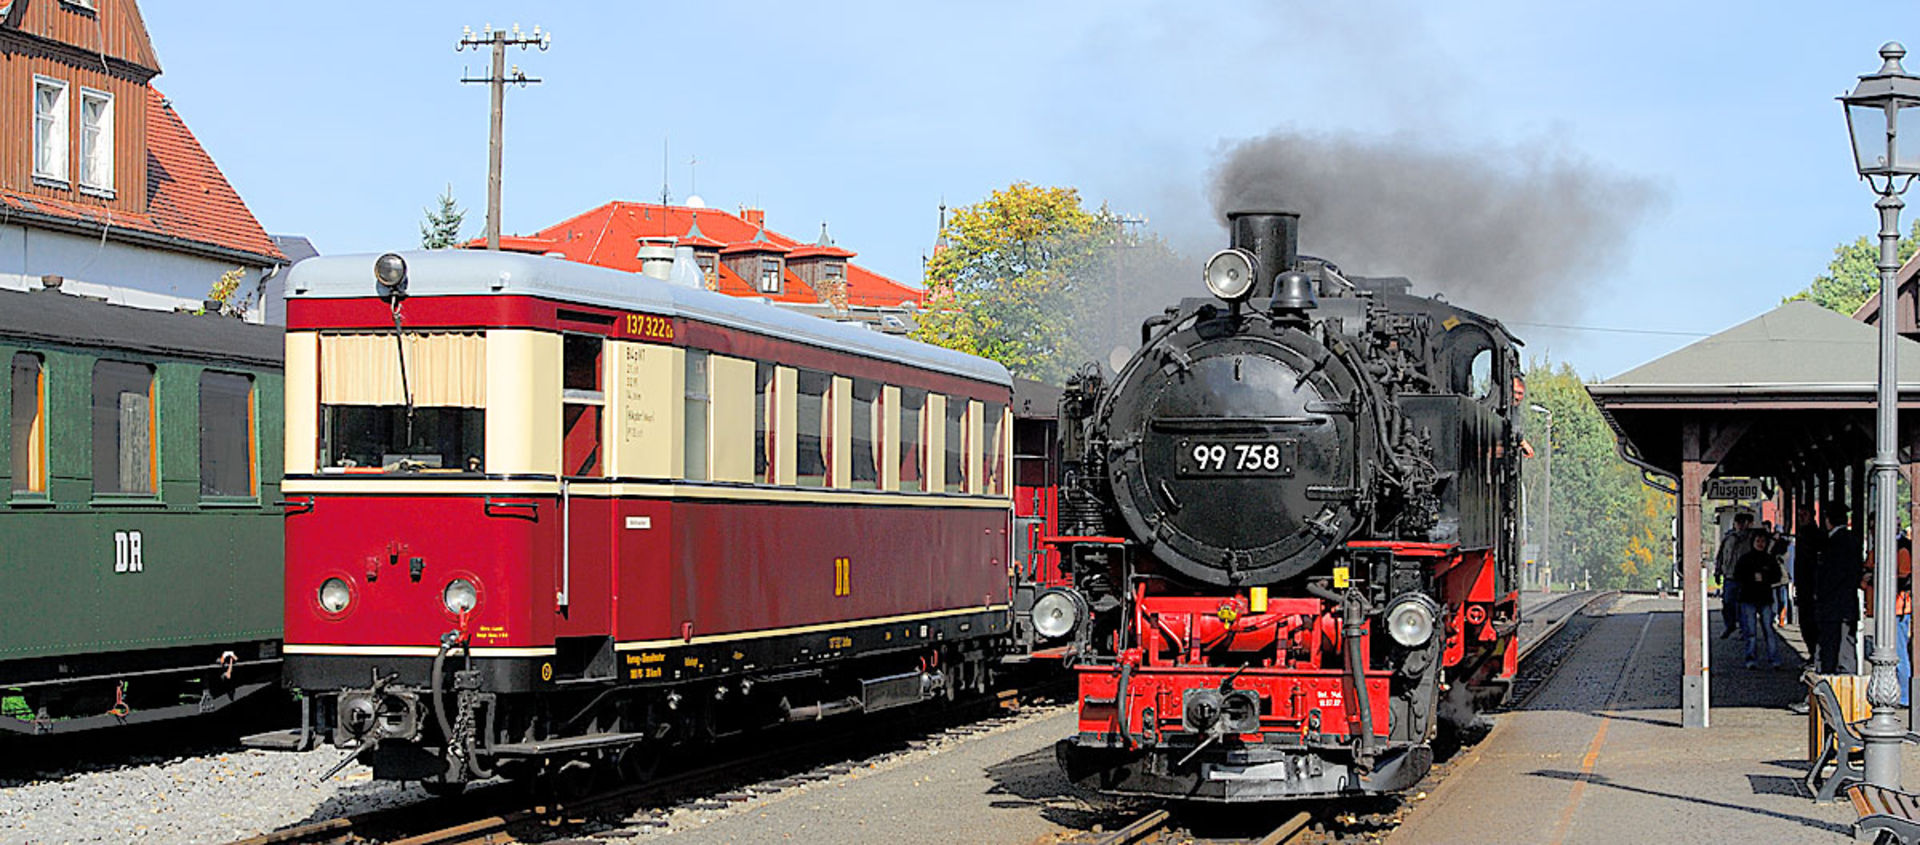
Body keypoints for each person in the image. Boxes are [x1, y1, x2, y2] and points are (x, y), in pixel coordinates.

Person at [1813, 501, 1863, 675]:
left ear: (1828, 520)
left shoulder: (1831, 543)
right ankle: (1848, 686)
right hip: (1848, 603)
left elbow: (1829, 576)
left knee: (1829, 647)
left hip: (1831, 605)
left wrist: (1819, 596)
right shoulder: (1853, 541)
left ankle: (1828, 687)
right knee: (1846, 646)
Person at [1732, 529, 1784, 669]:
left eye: (1763, 541)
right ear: (1753, 542)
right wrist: (1751, 579)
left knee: (1768, 629)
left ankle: (1774, 659)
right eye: (1758, 541)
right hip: (1748, 597)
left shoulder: (1769, 559)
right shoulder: (1745, 559)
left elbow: (1777, 576)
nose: (1760, 544)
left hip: (1765, 597)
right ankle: (1751, 658)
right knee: (1751, 631)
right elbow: (1738, 576)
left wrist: (1764, 578)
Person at [1715, 512, 1754, 638]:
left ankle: (1744, 629)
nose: (1740, 526)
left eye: (1742, 523)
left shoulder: (1751, 538)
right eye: (1738, 523)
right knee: (1727, 603)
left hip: (1745, 578)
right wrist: (1718, 571)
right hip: (1729, 576)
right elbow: (1721, 555)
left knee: (1743, 605)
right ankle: (1730, 625)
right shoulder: (1729, 538)